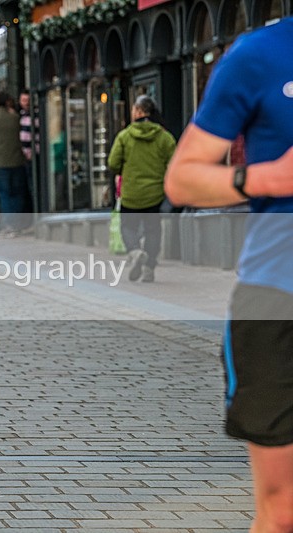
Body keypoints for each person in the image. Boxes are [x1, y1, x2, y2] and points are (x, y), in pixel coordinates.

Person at [165, 18, 293, 532]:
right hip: (276, 304)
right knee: (283, 512)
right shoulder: (260, 53)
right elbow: (182, 179)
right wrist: (270, 177)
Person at [108, 95, 176, 283]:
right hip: (155, 195)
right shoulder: (164, 137)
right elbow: (174, 163)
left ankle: (135, 251)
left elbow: (113, 163)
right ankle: (149, 268)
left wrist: (126, 170)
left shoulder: (124, 136)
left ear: (138, 111)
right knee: (153, 231)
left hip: (131, 194)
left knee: (128, 227)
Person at [0, 91, 28, 236]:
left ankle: (9, 225)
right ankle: (19, 224)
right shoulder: (15, 118)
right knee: (18, 192)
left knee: (5, 194)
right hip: (17, 160)